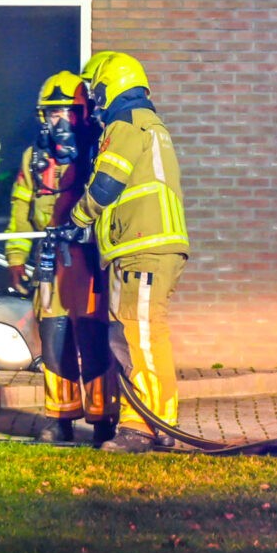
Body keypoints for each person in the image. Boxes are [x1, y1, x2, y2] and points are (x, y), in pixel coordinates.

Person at [61, 52, 190, 453]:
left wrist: (77, 218)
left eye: (94, 91)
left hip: (141, 247)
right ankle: (156, 422)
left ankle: (145, 425)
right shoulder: (145, 123)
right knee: (138, 335)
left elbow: (107, 183)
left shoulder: (127, 124)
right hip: (143, 247)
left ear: (110, 85)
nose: (92, 101)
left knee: (137, 335)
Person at [4, 71, 114, 444]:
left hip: (88, 261)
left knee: (93, 340)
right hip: (51, 263)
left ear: (82, 114)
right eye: (53, 113)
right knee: (55, 341)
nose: (60, 120)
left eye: (68, 112)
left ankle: (102, 419)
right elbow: (21, 211)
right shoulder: (34, 158)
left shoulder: (98, 153)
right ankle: (60, 417)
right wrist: (16, 256)